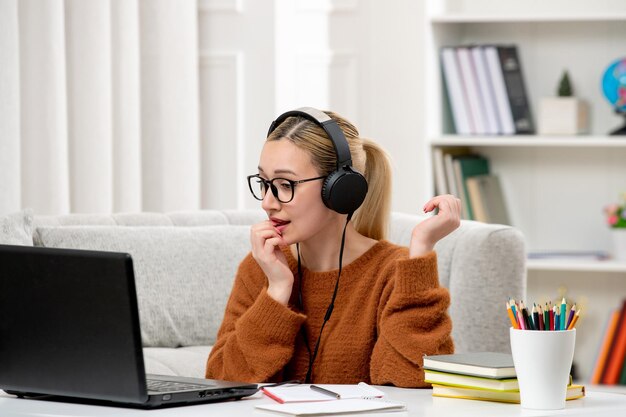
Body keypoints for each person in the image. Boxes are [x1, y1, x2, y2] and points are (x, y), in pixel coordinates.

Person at [205, 108, 461, 387]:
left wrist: (421, 252)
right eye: (265, 183)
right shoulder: (261, 267)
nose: (267, 202)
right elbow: (220, 384)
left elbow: (414, 384)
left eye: (285, 184)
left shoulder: (394, 272)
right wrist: (276, 291)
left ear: (339, 189)